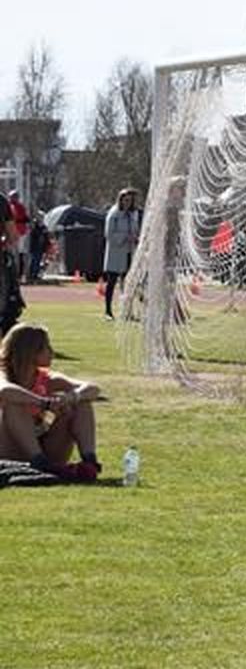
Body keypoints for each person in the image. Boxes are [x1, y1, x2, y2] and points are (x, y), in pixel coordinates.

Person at [0, 323, 103, 481]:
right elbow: (5, 390)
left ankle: (89, 461)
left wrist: (70, 397)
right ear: (30, 351)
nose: (52, 352)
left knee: (81, 401)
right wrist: (43, 402)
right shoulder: (3, 374)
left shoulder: (48, 378)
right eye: (46, 347)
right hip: (9, 450)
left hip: (49, 452)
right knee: (14, 405)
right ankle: (39, 461)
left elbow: (93, 389)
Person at [103, 188, 141, 320]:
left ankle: (127, 311)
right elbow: (109, 234)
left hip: (129, 252)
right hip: (115, 253)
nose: (128, 203)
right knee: (112, 282)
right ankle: (108, 311)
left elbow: (135, 230)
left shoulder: (133, 214)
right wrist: (124, 237)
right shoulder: (114, 214)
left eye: (130, 201)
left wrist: (136, 238)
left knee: (128, 283)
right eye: (125, 200)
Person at [7, 191, 28, 259]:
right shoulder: (9, 206)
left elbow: (24, 218)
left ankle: (18, 263)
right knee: (17, 250)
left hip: (18, 231)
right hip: (13, 230)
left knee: (18, 250)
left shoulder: (19, 207)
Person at [27, 215, 47, 283]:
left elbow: (45, 237)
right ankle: (32, 275)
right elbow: (34, 237)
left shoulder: (43, 228)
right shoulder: (35, 229)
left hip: (40, 248)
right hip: (35, 248)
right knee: (34, 261)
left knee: (38, 261)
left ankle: (35, 274)